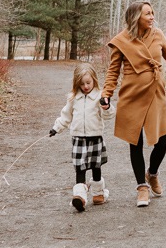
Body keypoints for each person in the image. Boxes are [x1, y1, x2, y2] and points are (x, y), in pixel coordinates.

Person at [101, 1, 166, 207]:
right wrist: (106, 93)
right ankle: (142, 186)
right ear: (136, 17)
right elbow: (113, 71)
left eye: (152, 13)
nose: (152, 17)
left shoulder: (157, 34)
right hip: (131, 95)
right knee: (135, 141)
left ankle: (153, 172)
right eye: (148, 14)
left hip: (155, 92)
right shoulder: (121, 40)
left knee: (162, 140)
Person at [49, 62, 116, 212]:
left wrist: (107, 107)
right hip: (79, 139)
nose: (86, 86)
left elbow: (109, 115)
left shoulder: (99, 96)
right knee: (80, 168)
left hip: (95, 137)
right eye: (82, 84)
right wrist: (56, 128)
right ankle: (79, 196)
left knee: (95, 167)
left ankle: (98, 194)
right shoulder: (73, 98)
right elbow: (66, 116)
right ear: (76, 83)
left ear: (94, 80)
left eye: (88, 83)